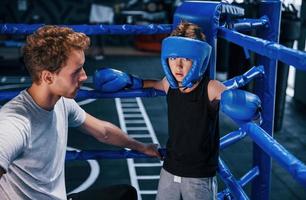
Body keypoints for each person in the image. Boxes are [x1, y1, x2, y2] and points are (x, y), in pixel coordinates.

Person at [93, 21, 261, 200]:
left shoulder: (211, 88)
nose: (178, 66)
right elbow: (151, 83)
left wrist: (254, 112)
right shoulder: (169, 83)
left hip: (199, 175)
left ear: (199, 60)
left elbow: (242, 106)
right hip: (170, 168)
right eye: (173, 58)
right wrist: (130, 81)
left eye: (187, 59)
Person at [0, 25, 161, 200]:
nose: (84, 76)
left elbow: (104, 132)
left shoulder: (62, 102)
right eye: (76, 71)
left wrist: (142, 147)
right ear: (48, 77)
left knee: (125, 194)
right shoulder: (15, 122)